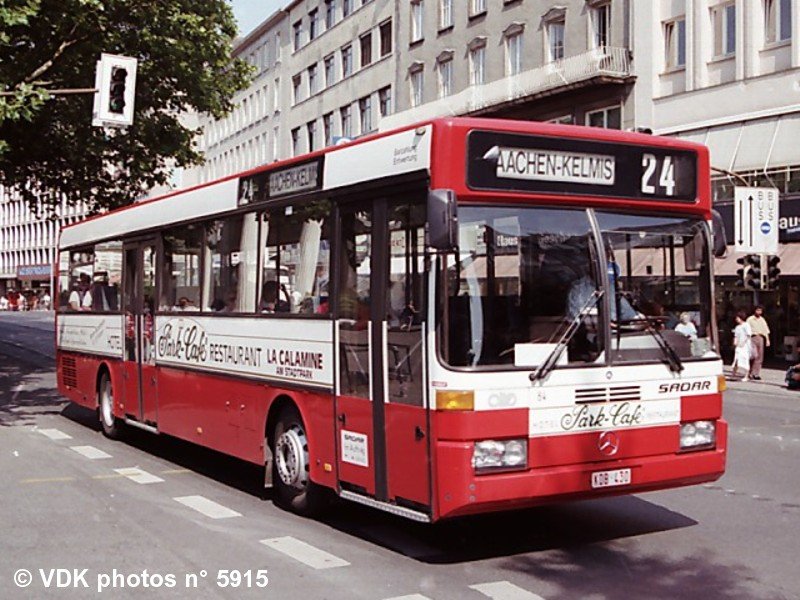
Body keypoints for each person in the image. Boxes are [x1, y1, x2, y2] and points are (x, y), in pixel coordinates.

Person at [746, 305, 770, 381]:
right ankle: (750, 372)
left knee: (760, 356)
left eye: (760, 310)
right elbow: (746, 329)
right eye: (758, 310)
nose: (759, 312)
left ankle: (756, 373)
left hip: (760, 337)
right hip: (752, 337)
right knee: (753, 355)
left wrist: (767, 340)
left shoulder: (762, 320)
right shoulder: (750, 319)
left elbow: (766, 330)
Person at [732, 311, 752, 380]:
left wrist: (743, 343)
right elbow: (736, 336)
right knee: (736, 359)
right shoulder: (737, 327)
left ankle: (746, 376)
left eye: (737, 318)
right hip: (738, 346)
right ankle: (733, 374)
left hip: (745, 346)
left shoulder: (746, 325)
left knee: (745, 360)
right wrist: (735, 342)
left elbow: (748, 335)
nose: (736, 319)